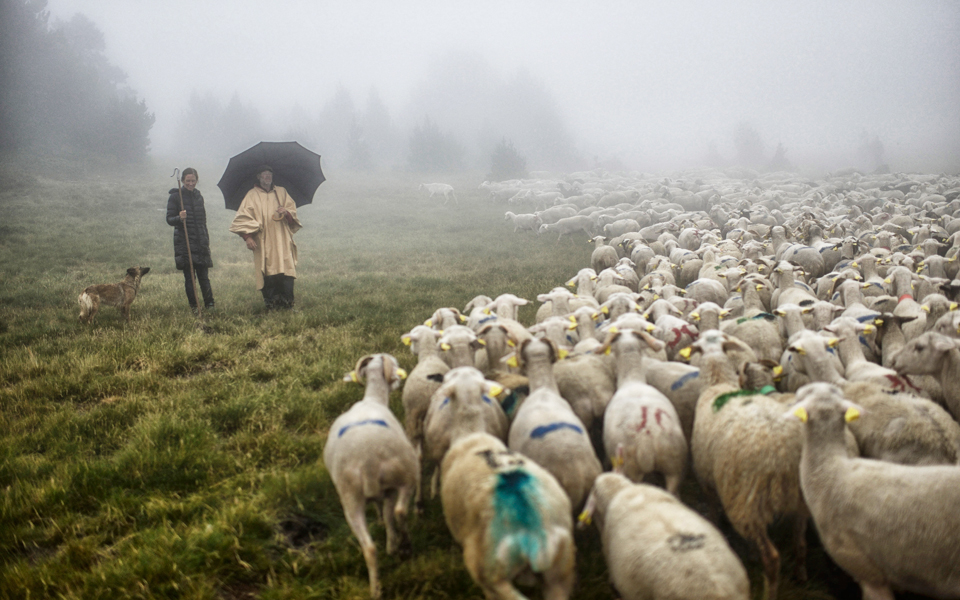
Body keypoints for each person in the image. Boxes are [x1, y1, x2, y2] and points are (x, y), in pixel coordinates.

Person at [229, 165, 302, 310]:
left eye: (269, 174)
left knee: (286, 268)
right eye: (264, 174)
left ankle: (288, 303)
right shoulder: (251, 195)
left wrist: (286, 212)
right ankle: (272, 304)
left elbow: (293, 218)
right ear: (258, 176)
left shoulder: (281, 192)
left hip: (282, 238)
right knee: (267, 269)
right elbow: (242, 218)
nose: (267, 176)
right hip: (262, 240)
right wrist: (247, 237)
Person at [166, 167, 215, 312]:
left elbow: (203, 221)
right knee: (190, 278)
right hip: (185, 242)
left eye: (193, 180)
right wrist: (179, 218)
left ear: (197, 180)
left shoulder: (199, 196)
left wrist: (205, 239)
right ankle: (194, 306)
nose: (191, 183)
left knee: (204, 276)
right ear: (182, 181)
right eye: (188, 181)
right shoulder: (175, 197)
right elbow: (169, 219)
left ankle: (210, 304)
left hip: (200, 242)